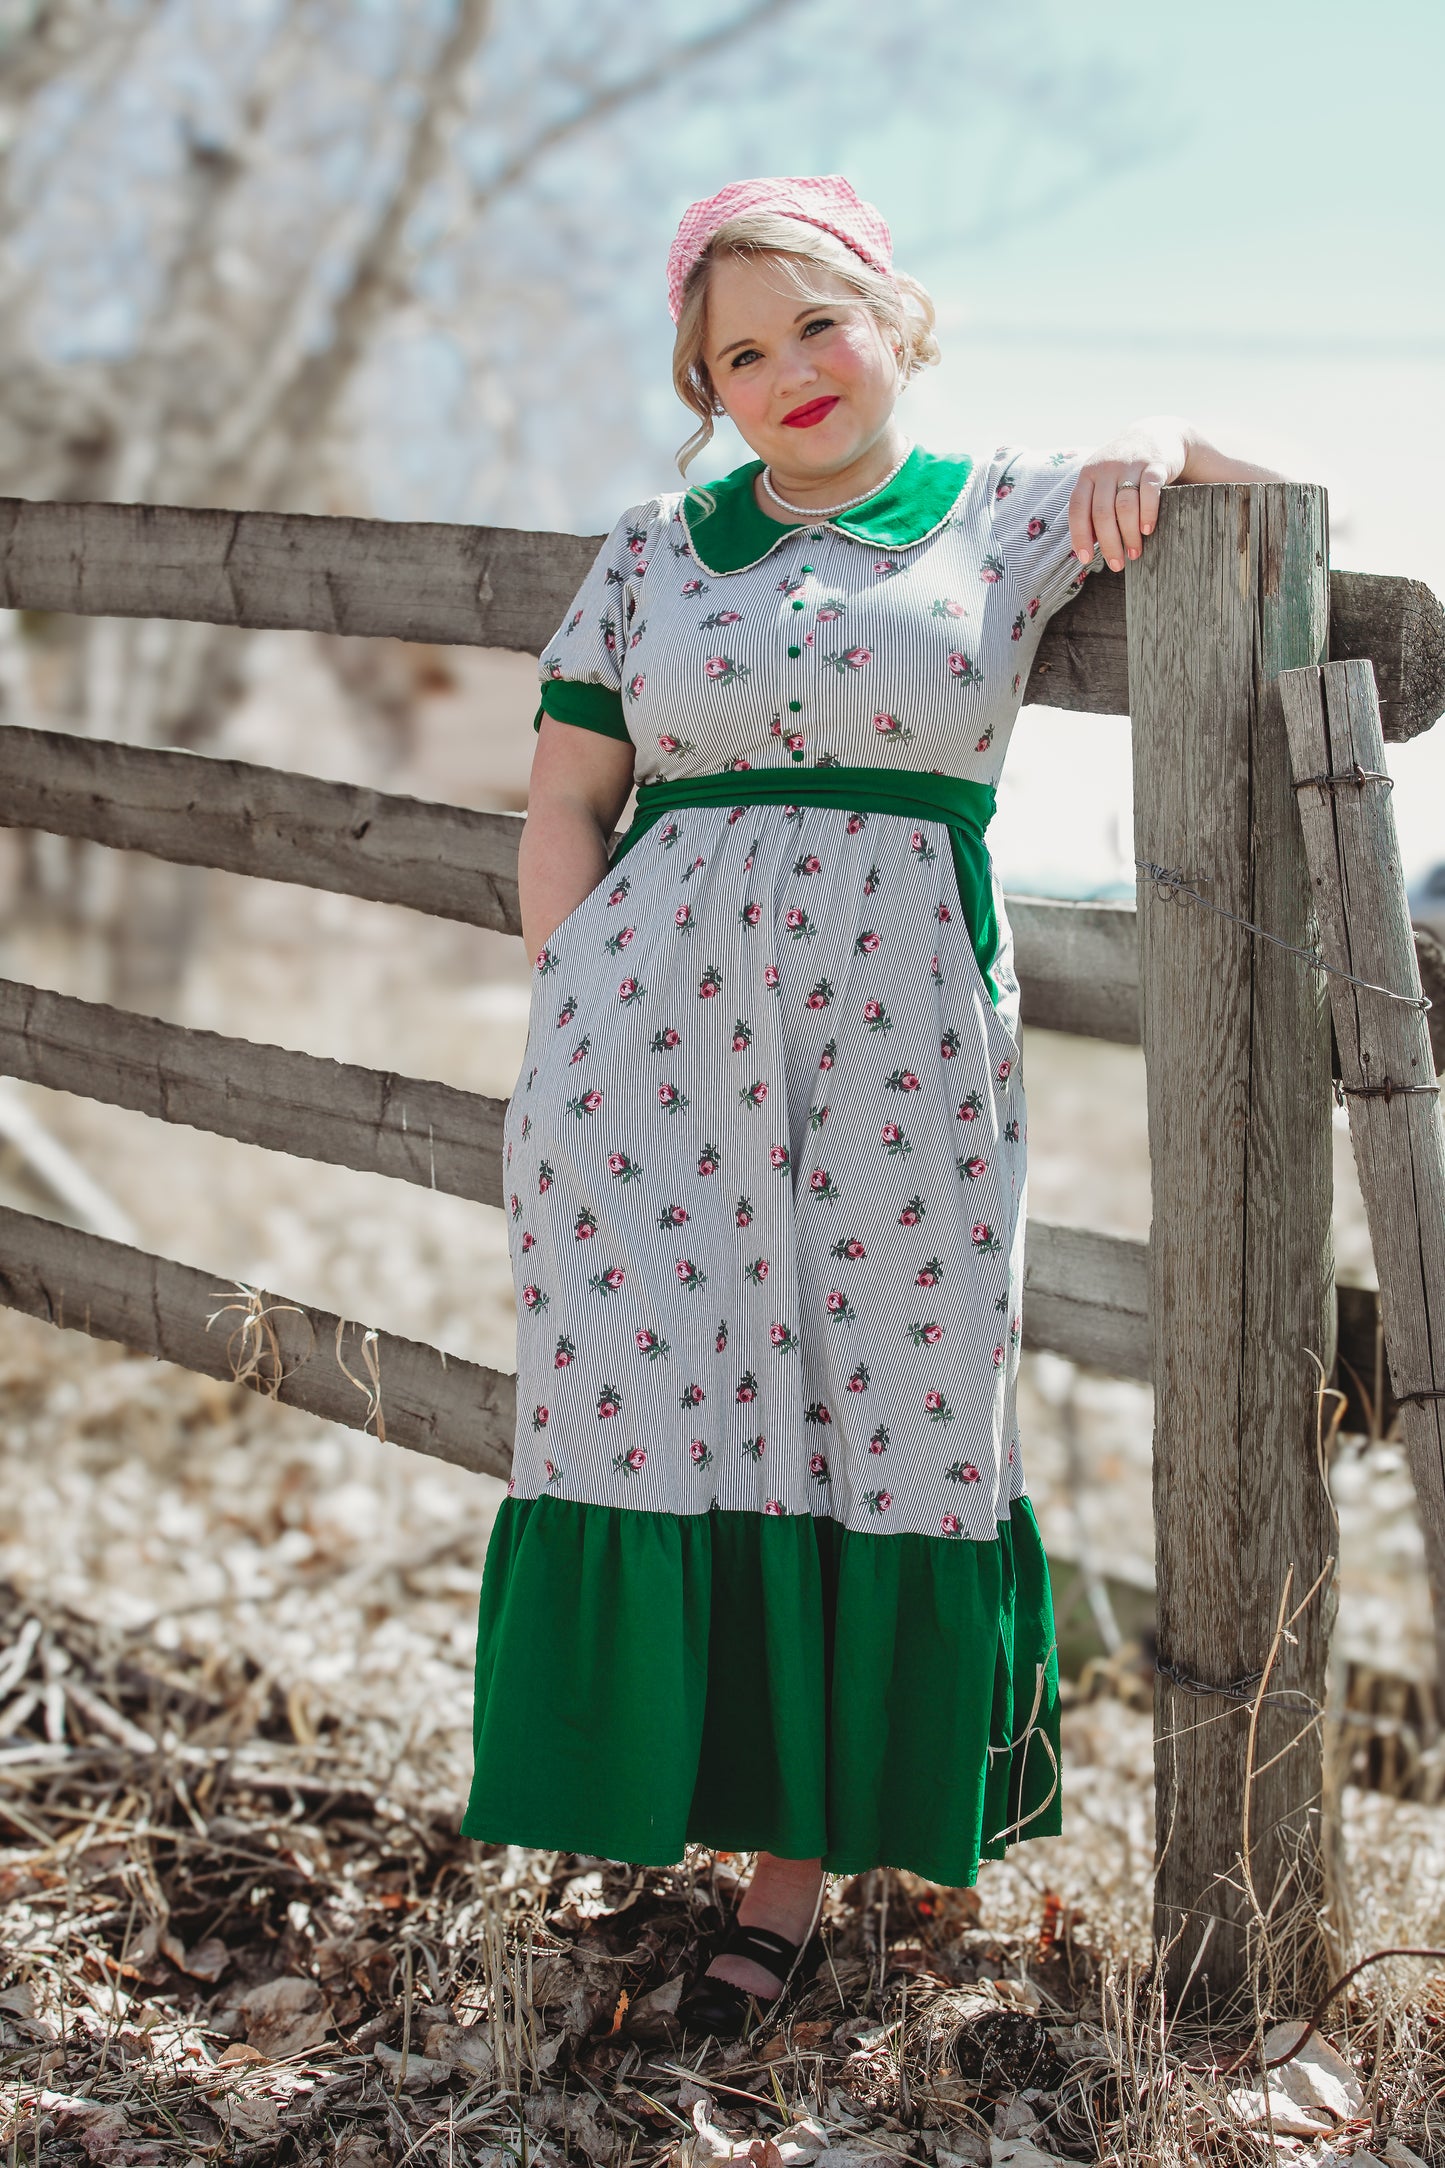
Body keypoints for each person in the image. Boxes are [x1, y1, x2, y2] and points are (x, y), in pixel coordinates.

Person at [461, 173, 1292, 2038]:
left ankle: (795, 1879)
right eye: (737, 354)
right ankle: (662, 1804)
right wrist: (573, 983)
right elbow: (560, 801)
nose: (787, 373)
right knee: (650, 1399)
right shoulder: (654, 551)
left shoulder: (1003, 512)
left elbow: (1260, 484)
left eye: (815, 325)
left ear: (892, 318)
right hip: (641, 1057)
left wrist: (1145, 438)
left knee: (881, 1404)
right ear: (707, 389)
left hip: (899, 1048)